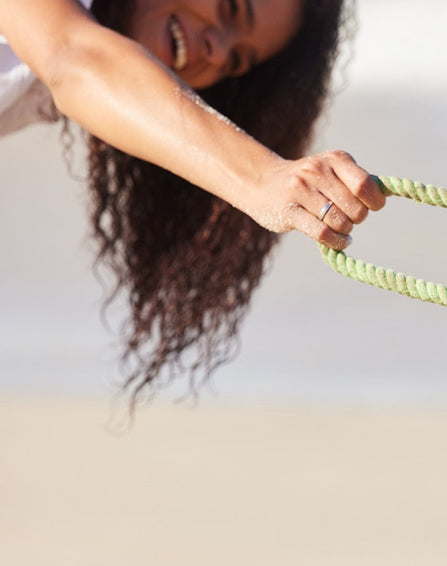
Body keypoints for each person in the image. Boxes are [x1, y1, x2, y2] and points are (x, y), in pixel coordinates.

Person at [0, 0, 386, 402]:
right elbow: (74, 57)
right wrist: (262, 176)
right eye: (229, 8)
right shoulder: (64, 56)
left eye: (236, 61)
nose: (218, 52)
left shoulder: (38, 83)